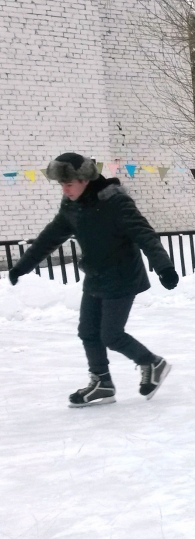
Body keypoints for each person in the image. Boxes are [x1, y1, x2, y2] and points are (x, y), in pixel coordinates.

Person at [6, 152, 178, 407]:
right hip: (96, 275)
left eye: (69, 184)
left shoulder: (115, 202)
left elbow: (144, 234)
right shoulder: (72, 206)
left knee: (111, 335)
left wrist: (164, 267)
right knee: (87, 331)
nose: (65, 190)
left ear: (84, 179)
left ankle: (152, 363)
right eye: (61, 185)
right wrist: (22, 266)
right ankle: (102, 383)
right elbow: (50, 237)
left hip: (122, 276)